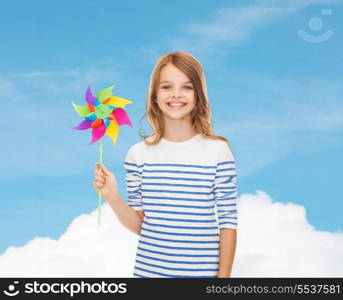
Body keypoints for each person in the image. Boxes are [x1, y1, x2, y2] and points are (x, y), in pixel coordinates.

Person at [93, 51, 238, 278]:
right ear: (154, 96)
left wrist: (224, 279)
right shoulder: (137, 155)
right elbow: (141, 226)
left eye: (187, 87)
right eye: (166, 87)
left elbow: (228, 221)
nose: (176, 95)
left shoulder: (218, 151)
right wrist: (113, 197)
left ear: (199, 95)